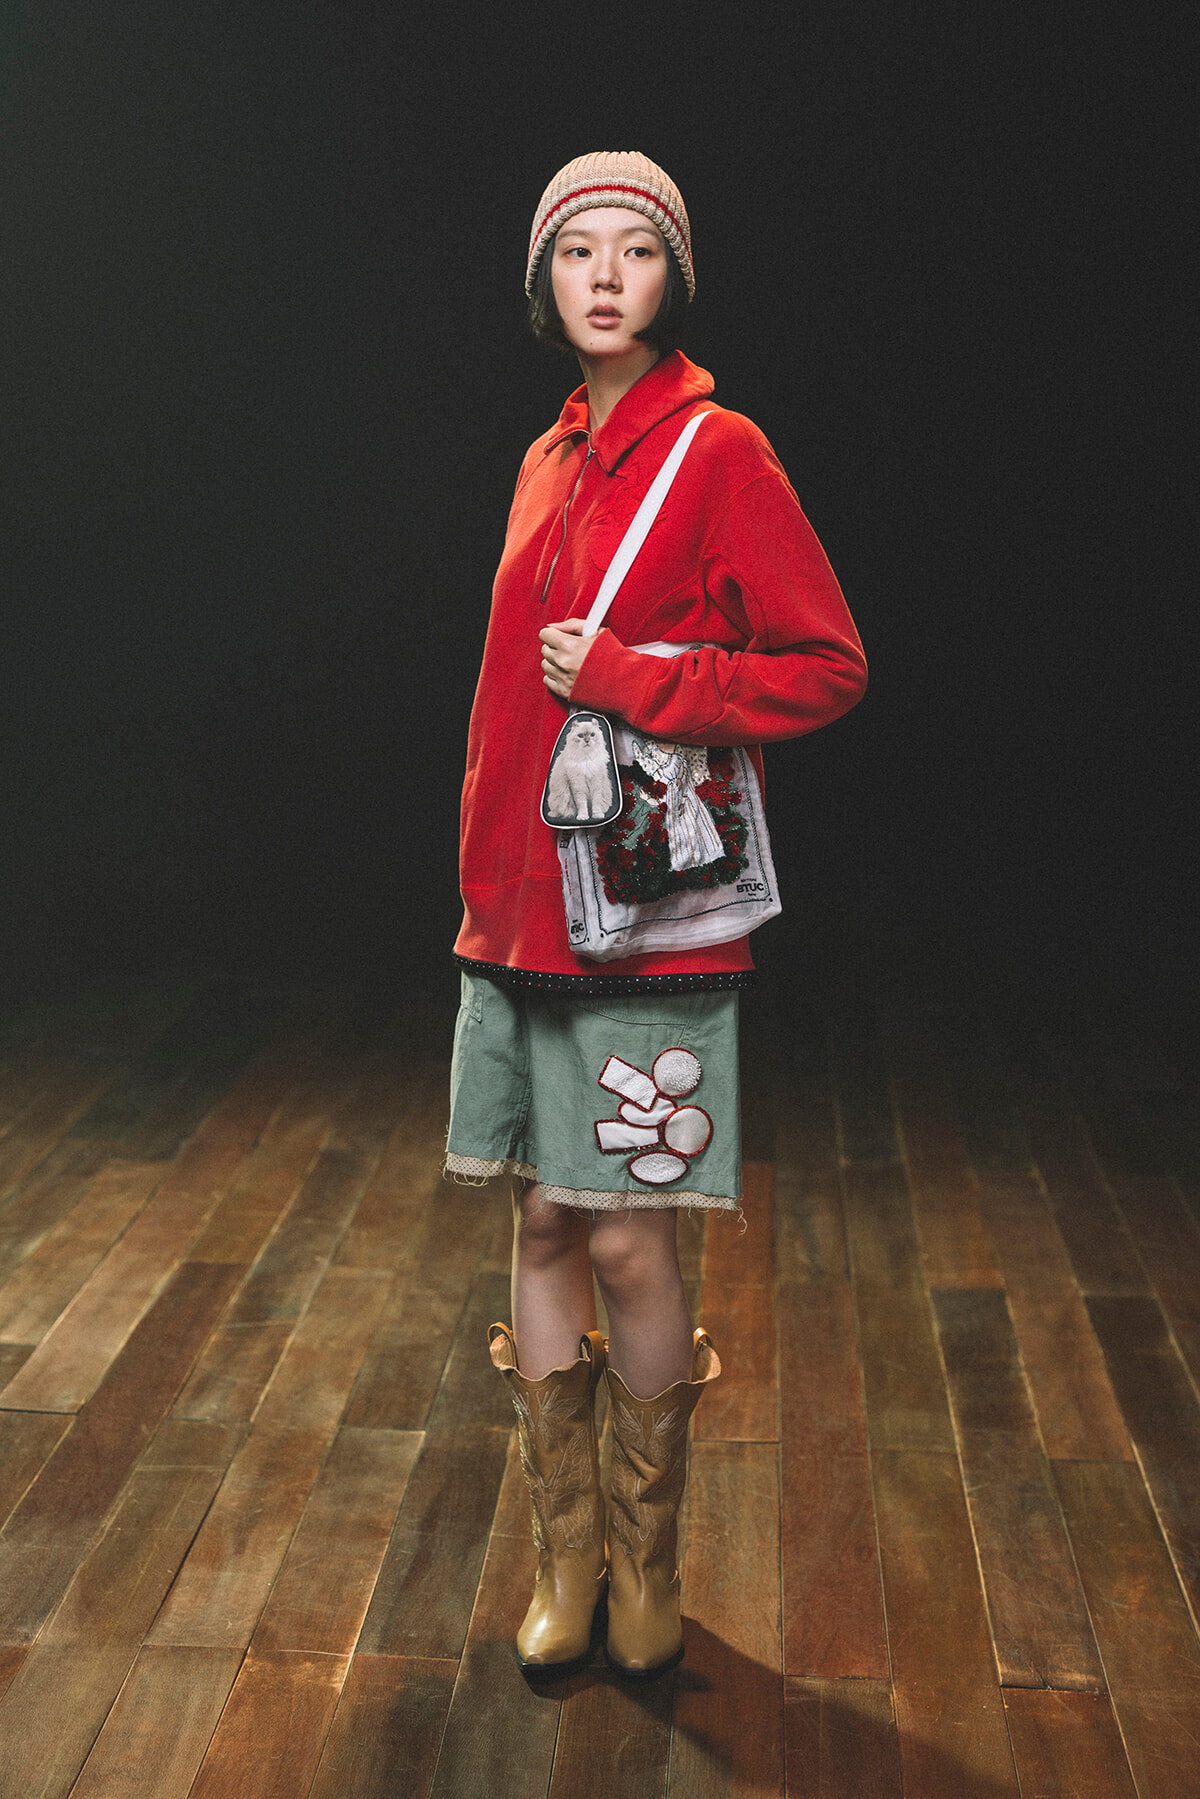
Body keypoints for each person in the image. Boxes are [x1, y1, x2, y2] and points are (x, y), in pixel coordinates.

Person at [446, 152, 866, 1678]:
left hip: (639, 914)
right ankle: (568, 1561)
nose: (606, 277)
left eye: (635, 250)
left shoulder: (719, 450)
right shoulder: (543, 457)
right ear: (545, 281)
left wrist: (639, 679)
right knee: (542, 1214)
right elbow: (508, 704)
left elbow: (825, 664)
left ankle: (648, 1566)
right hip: (517, 914)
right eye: (578, 252)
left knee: (627, 1237)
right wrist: (479, 882)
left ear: (672, 276)